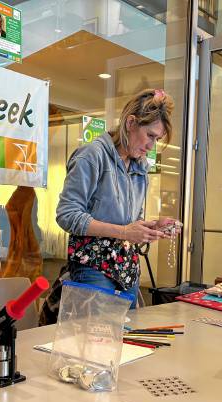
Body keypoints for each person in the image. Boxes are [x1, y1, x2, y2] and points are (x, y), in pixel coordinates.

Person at [56, 89, 178, 304]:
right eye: (150, 135)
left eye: (157, 139)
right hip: (93, 266)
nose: (151, 146)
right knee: (97, 337)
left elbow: (131, 223)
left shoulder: (139, 166)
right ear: (130, 123)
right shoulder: (92, 156)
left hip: (127, 267)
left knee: (127, 336)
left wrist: (151, 226)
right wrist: (124, 232)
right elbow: (67, 215)